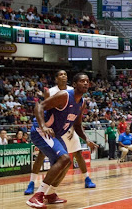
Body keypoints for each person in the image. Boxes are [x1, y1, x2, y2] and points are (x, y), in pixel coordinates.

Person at [26, 73, 98, 208]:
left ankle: (50, 194)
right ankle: (37, 196)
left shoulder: (81, 103)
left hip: (56, 134)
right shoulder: (64, 95)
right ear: (75, 84)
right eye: (82, 81)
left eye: (87, 81)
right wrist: (43, 126)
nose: (85, 83)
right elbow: (39, 106)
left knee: (67, 162)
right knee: (64, 158)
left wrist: (87, 140)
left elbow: (77, 125)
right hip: (41, 130)